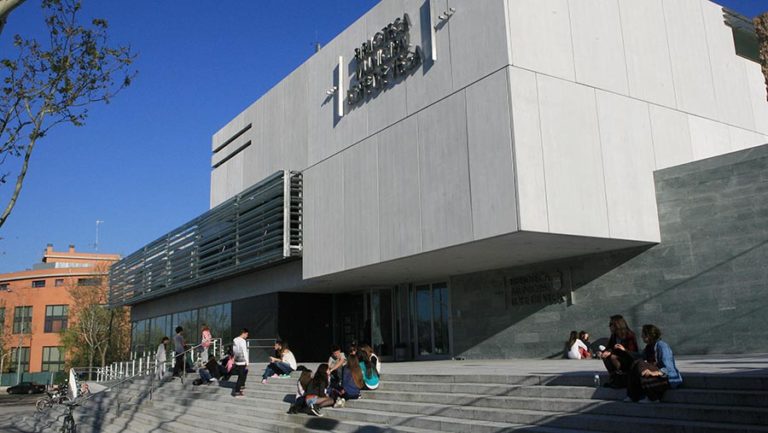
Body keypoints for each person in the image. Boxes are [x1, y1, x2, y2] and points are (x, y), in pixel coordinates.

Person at [625, 324, 682, 403]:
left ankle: (653, 397)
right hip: (656, 375)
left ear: (649, 335)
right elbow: (640, 356)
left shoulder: (662, 346)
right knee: (636, 364)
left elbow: (669, 367)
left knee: (640, 364)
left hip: (667, 378)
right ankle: (632, 396)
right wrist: (625, 351)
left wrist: (655, 372)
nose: (641, 336)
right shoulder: (649, 347)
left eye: (643, 334)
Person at [599, 315, 638, 388]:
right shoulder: (614, 336)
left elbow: (633, 352)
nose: (609, 326)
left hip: (628, 359)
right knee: (606, 356)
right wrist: (603, 352)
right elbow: (609, 347)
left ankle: (621, 378)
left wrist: (622, 349)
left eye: (611, 324)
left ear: (617, 325)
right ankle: (614, 378)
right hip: (618, 358)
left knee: (613, 357)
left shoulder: (629, 335)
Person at [232, 328, 249, 397]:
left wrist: (235, 359)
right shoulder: (243, 341)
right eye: (247, 334)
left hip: (237, 360)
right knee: (241, 376)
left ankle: (242, 385)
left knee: (244, 372)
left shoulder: (235, 339)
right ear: (244, 333)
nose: (247, 336)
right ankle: (237, 391)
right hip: (242, 361)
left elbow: (234, 350)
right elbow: (245, 351)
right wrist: (247, 362)